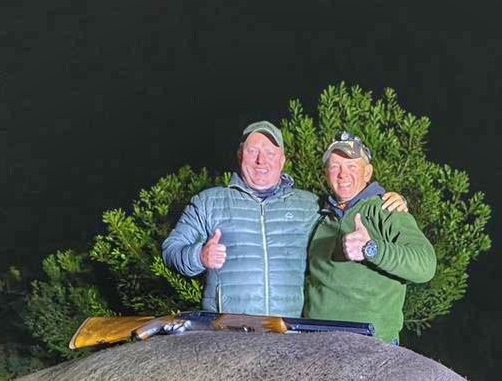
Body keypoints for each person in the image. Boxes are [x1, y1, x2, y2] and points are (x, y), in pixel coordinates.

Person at [161, 121, 408, 316]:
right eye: (253, 151)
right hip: (226, 333)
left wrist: (386, 198)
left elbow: (346, 206)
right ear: (240, 156)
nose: (261, 160)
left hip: (289, 334)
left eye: (270, 152)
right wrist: (199, 256)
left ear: (282, 161)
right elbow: (170, 250)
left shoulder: (309, 204)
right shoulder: (208, 201)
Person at [304, 132, 436, 344]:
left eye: (352, 167)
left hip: (370, 347)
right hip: (317, 342)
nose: (342, 174)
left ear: (368, 173)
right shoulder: (320, 216)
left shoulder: (387, 210)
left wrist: (371, 249)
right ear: (326, 173)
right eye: (335, 166)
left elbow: (426, 265)